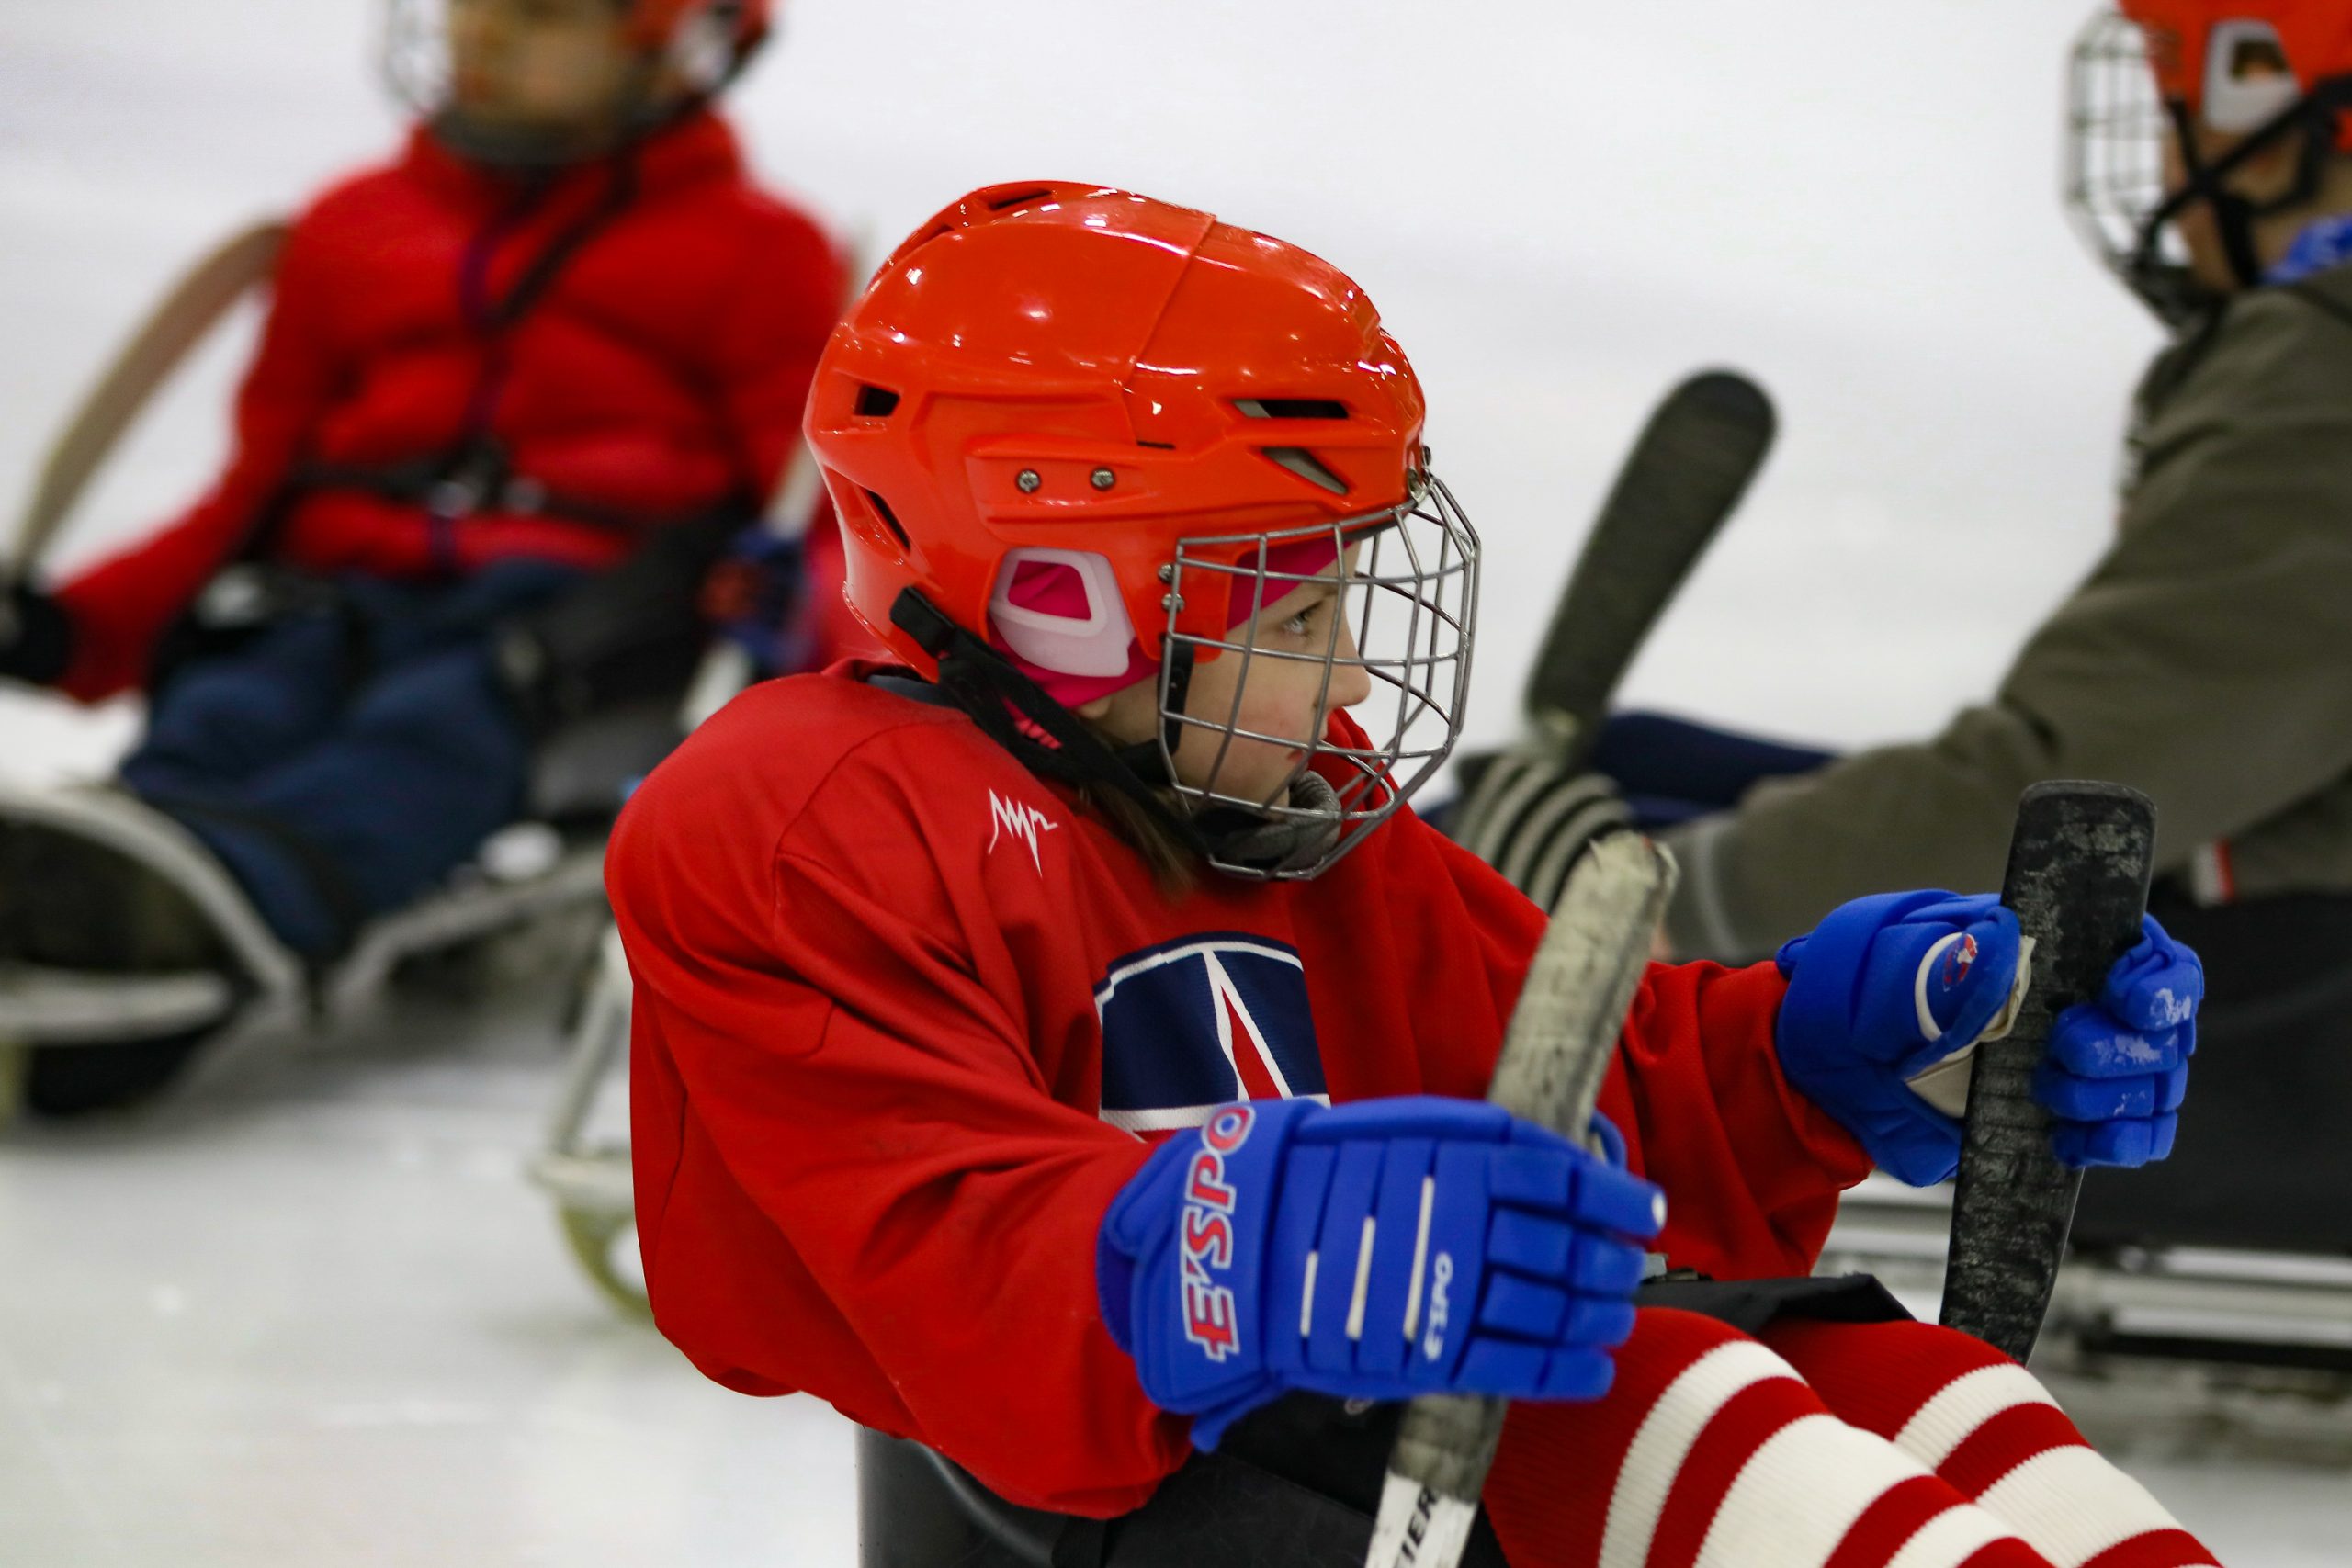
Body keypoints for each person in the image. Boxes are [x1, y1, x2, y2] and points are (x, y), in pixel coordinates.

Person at [608, 182, 2222, 1566]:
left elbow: (1575, 1113)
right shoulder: (803, 823)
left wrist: (1812, 1058)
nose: (1350, 682)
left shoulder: (1288, 818)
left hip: (1356, 1463)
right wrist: (1267, 1237)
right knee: (1683, 1400)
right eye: (1298, 613)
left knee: (1903, 1384)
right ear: (1062, 600)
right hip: (1107, 1509)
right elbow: (947, 1258)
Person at [1451, 1, 2352, 1257]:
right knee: (1634, 765)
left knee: (1595, 850)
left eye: (2173, 119)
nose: (2163, 177)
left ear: (2288, 119)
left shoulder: (2324, 370)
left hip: (2292, 1026)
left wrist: (1657, 902)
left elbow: (2075, 780)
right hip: (2290, 942)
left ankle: (1412, 1026)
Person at [0, 0, 846, 1114]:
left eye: (538, 15)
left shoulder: (756, 251)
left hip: (577, 619)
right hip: (333, 588)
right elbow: (250, 495)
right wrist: (81, 626)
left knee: (430, 730)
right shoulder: (355, 228)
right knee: (235, 700)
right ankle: (102, 876)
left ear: (668, 45)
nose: (483, 36)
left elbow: (820, 508)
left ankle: (211, 904)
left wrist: (813, 635)